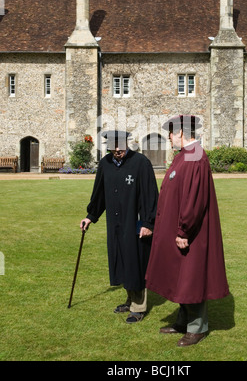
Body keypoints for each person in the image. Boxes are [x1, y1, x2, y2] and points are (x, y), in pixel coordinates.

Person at [145, 115, 229, 346]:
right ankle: (183, 321)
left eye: (171, 133)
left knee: (192, 278)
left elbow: (194, 199)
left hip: (191, 233)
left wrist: (183, 231)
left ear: (181, 132)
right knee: (180, 277)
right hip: (177, 230)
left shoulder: (195, 157)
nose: (169, 138)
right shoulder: (184, 156)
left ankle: (197, 327)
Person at [80, 130, 159, 323]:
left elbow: (151, 196)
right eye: (113, 146)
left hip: (136, 223)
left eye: (120, 145)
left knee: (135, 262)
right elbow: (99, 193)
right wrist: (91, 216)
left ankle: (138, 307)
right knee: (122, 261)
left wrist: (149, 223)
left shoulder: (141, 163)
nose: (117, 149)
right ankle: (130, 300)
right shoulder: (105, 164)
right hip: (115, 224)